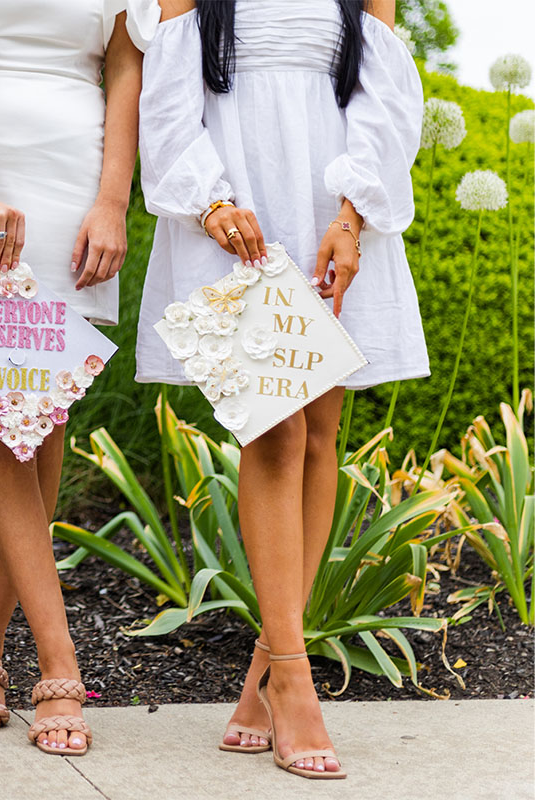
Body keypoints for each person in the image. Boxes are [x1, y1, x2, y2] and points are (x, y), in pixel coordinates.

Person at [136, 0, 425, 780]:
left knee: (322, 433)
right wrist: (212, 201)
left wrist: (353, 216)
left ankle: (268, 667)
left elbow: (384, 90)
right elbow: (166, 91)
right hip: (236, 209)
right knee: (273, 431)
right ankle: (294, 680)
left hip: (329, 207)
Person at [0, 0, 157, 756]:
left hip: (72, 180)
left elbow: (126, 67)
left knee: (42, 430)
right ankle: (58, 657)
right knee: (2, 420)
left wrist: (113, 201)